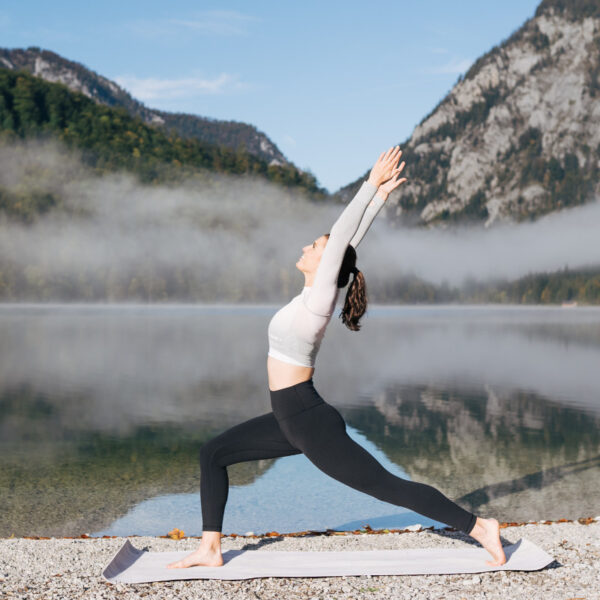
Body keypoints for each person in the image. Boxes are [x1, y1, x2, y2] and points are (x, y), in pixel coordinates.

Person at [168, 146, 506, 569]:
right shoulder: (309, 295)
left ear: (327, 263)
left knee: (388, 487)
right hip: (288, 418)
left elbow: (342, 238)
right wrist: (379, 198)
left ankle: (479, 528)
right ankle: (210, 548)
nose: (307, 247)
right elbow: (348, 241)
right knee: (213, 453)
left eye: (315, 245)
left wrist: (368, 185)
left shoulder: (320, 300)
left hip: (308, 422)